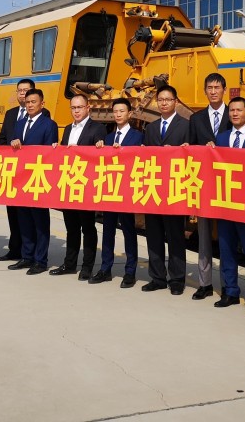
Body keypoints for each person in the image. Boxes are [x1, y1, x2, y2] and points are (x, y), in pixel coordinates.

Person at [209, 96, 245, 312]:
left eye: (239, 110)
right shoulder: (221, 138)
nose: (235, 114)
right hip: (225, 203)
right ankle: (230, 291)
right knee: (226, 249)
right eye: (231, 110)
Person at [51, 93, 107, 279]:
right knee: (71, 227)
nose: (76, 111)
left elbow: (99, 156)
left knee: (88, 228)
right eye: (73, 108)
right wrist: (57, 148)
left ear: (88, 108)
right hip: (69, 184)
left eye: (80, 107)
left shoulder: (98, 128)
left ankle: (87, 267)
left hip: (86, 186)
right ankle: (69, 264)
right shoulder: (68, 129)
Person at [141, 84, 190, 295]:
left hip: (175, 188)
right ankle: (157, 277)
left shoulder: (186, 126)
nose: (163, 103)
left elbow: (192, 156)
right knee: (154, 235)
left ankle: (177, 279)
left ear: (176, 102)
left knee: (175, 235)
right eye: (160, 100)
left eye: (168, 100)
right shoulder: (151, 128)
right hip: (154, 188)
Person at [187, 72, 231, 300]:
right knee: (203, 236)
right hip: (204, 185)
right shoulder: (196, 119)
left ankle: (228, 286)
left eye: (217, 87)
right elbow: (191, 149)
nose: (213, 91)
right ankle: (204, 283)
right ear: (205, 91)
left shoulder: (234, 115)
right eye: (210, 88)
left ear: (224, 90)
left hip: (227, 185)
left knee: (226, 237)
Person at [91, 98, 141, 288]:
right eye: (116, 111)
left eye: (122, 111)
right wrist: (99, 148)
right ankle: (105, 269)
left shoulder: (138, 136)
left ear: (130, 114)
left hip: (126, 190)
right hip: (109, 189)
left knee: (129, 230)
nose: (118, 114)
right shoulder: (108, 137)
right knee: (108, 230)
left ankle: (130, 271)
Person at [8, 88, 58, 275]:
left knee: (40, 222)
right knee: (24, 220)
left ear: (42, 104)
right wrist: (13, 144)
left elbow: (49, 153)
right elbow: (12, 149)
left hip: (38, 179)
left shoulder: (49, 125)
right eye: (27, 102)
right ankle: (26, 256)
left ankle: (40, 260)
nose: (30, 105)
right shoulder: (19, 123)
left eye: (33, 102)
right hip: (21, 179)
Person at [0, 78, 36, 262]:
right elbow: (3, 139)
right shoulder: (11, 114)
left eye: (26, 90)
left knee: (29, 215)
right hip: (11, 171)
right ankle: (14, 249)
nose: (22, 93)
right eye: (19, 90)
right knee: (12, 213)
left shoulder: (42, 114)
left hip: (30, 172)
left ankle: (30, 252)